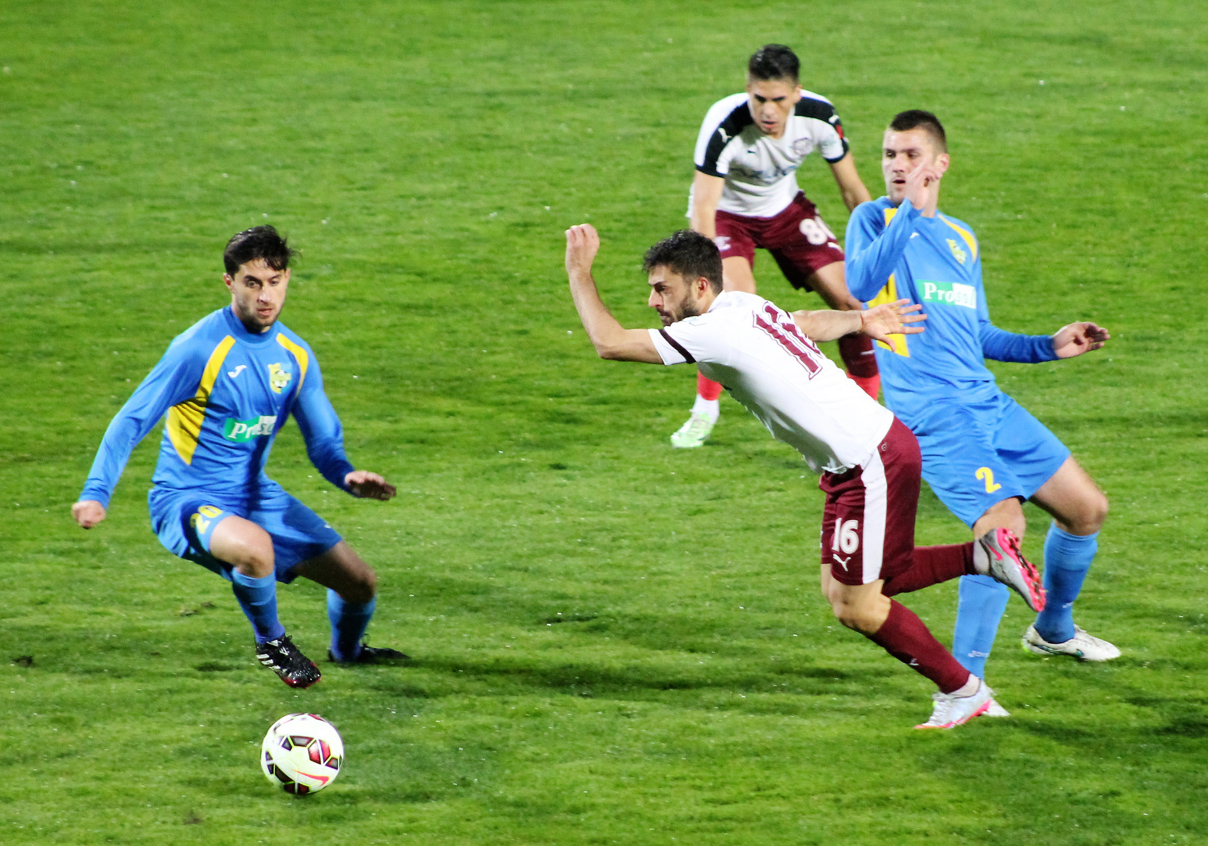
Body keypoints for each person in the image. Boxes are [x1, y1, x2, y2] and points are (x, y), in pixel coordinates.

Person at [564, 223, 1047, 729]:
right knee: (847, 585)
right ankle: (982, 557)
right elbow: (804, 322)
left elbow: (609, 343)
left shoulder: (713, 330)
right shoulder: (743, 305)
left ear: (700, 286)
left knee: (858, 606)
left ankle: (965, 691)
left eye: (662, 288)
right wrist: (860, 319)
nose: (652, 301)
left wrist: (579, 271)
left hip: (870, 460)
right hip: (859, 459)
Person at [843, 110, 1118, 720]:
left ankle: (1053, 630)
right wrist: (907, 213)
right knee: (1001, 528)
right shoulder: (873, 219)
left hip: (986, 402)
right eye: (889, 155)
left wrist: (1048, 345)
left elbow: (979, 333)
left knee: (1086, 509)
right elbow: (860, 283)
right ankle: (964, 687)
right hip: (933, 414)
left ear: (940, 164)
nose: (897, 166)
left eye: (911, 155)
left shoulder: (962, 239)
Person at [72, 226, 406, 689]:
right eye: (252, 282)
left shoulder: (295, 356)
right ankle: (272, 642)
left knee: (360, 583)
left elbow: (324, 445)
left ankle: (348, 655)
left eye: (274, 282)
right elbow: (132, 420)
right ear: (229, 282)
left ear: (287, 279)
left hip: (255, 497)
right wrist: (96, 492)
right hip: (186, 499)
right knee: (255, 548)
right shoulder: (198, 349)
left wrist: (347, 476)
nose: (265, 296)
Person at [673, 43, 876, 450]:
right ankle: (704, 410)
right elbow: (705, 205)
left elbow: (853, 190)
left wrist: (880, 250)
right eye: (759, 99)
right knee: (731, 309)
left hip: (785, 210)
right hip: (728, 216)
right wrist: (706, 275)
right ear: (747, 89)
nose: (768, 111)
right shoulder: (723, 124)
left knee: (852, 300)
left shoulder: (820, 116)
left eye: (778, 100)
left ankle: (868, 416)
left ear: (796, 93)